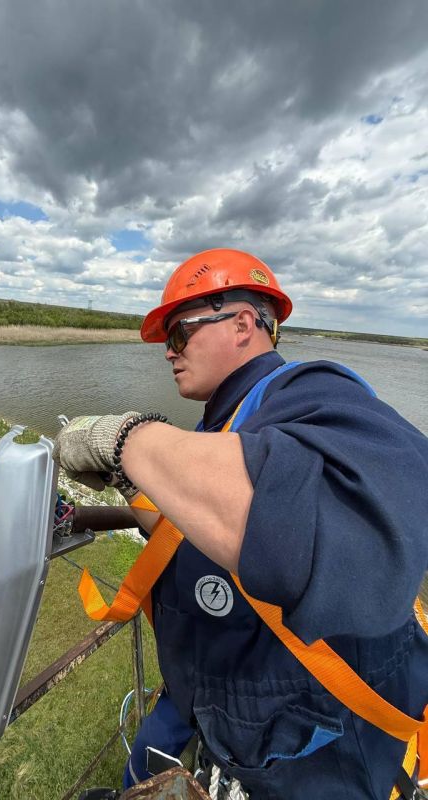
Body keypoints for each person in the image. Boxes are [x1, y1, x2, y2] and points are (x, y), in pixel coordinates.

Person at [53, 249, 428, 800]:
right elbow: (195, 527)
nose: (168, 354)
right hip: (221, 705)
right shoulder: (227, 424)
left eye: (178, 335)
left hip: (312, 751)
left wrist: (126, 439)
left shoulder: (313, 393)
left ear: (244, 324)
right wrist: (97, 510)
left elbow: (339, 529)